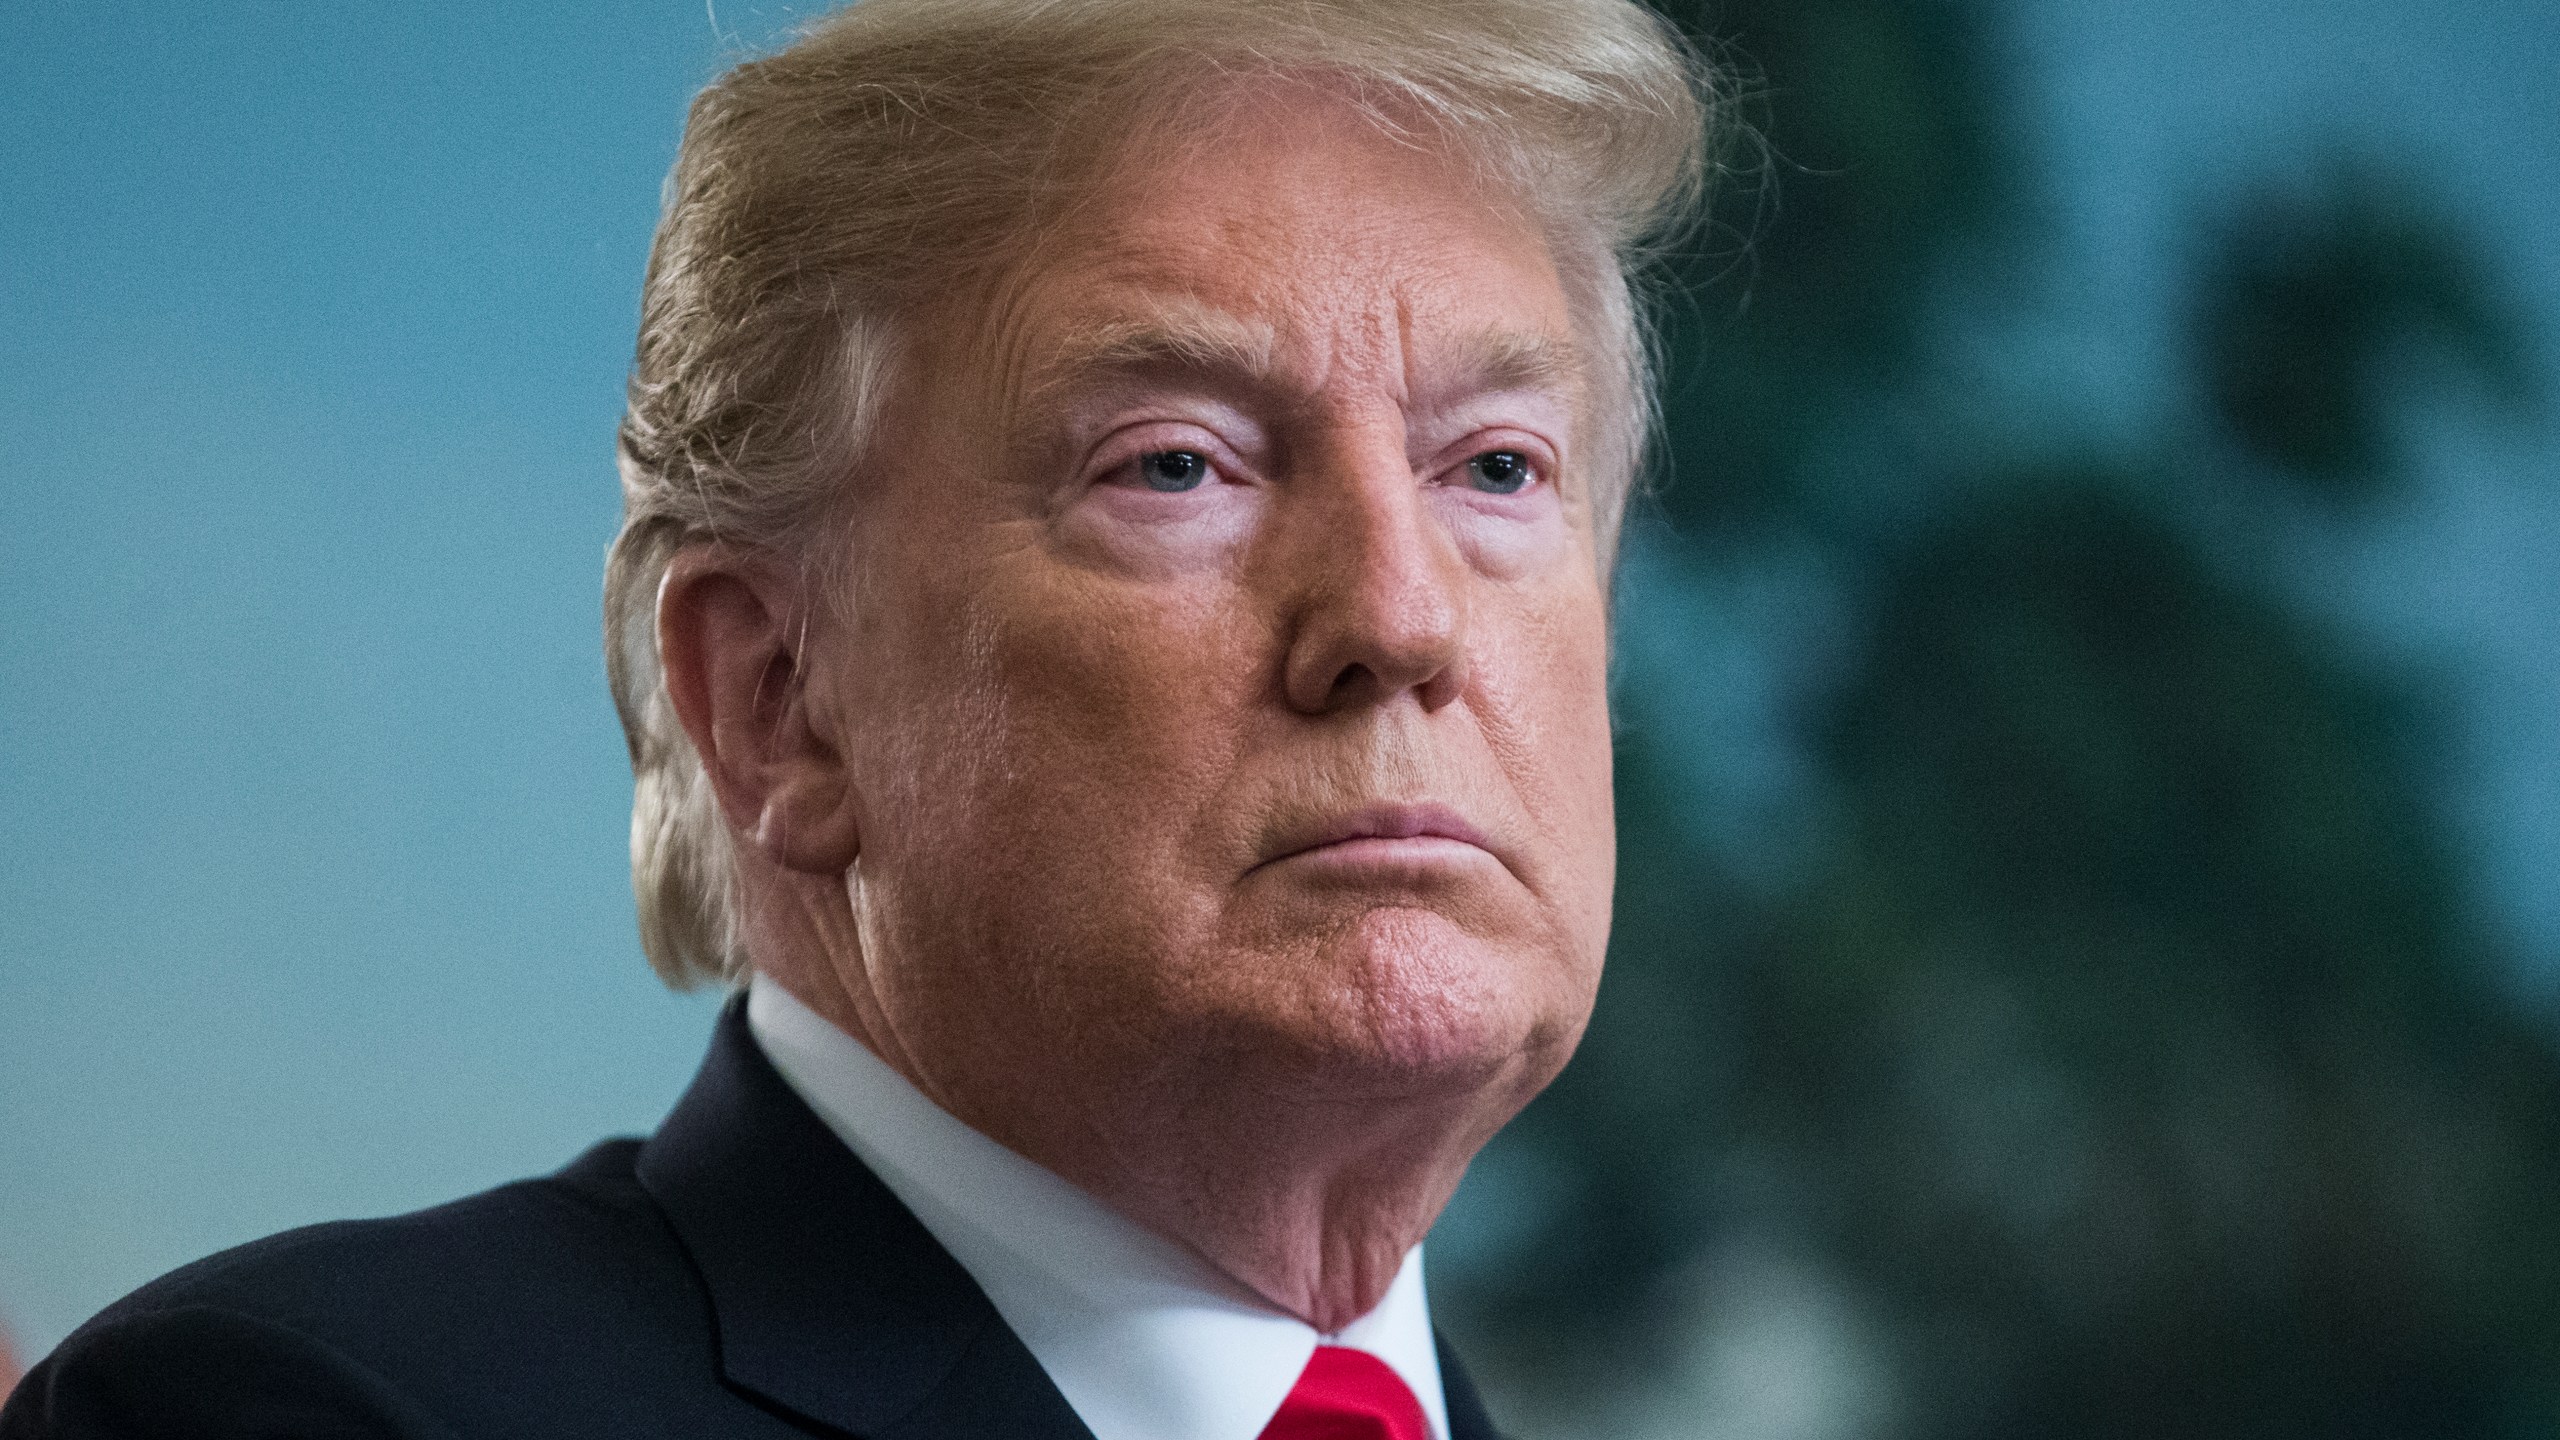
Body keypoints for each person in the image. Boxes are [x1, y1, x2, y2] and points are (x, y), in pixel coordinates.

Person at [0, 1, 1711, 1435]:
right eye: (1176, 464)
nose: (1402, 622)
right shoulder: (305, 1412)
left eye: (1497, 469)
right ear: (777, 702)